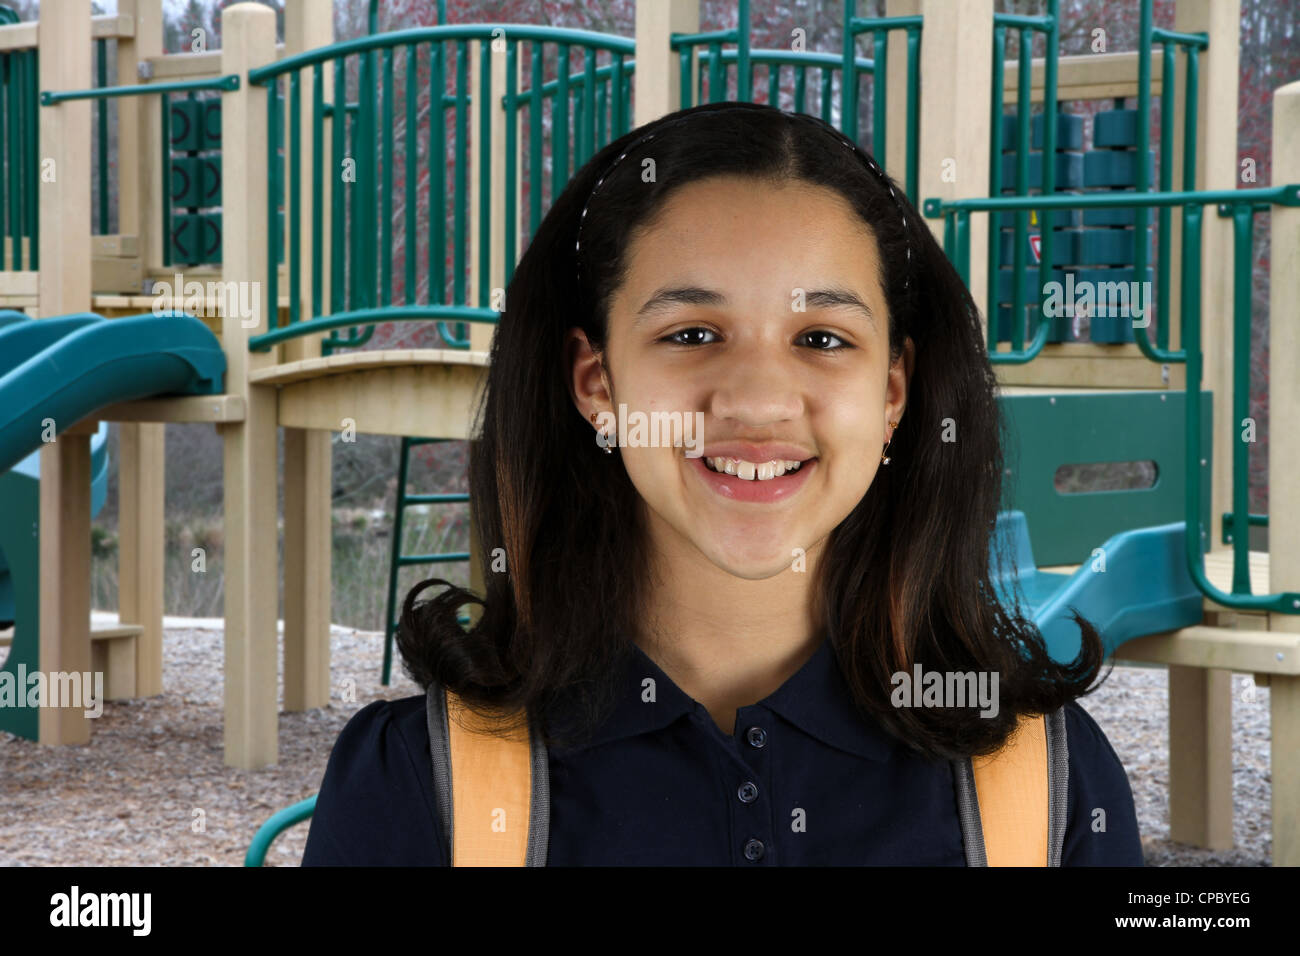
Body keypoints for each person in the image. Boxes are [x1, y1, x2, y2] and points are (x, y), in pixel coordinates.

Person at [301, 100, 1143, 866]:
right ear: (596, 382)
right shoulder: (418, 787)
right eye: (694, 330)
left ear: (893, 392)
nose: (758, 401)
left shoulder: (1050, 785)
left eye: (821, 338)